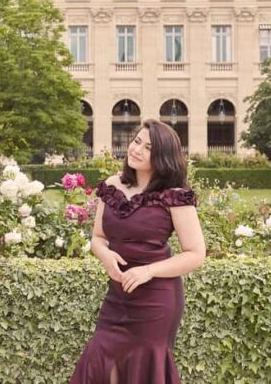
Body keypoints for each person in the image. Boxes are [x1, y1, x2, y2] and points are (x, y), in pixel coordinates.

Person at [69, 118, 206, 384]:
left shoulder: (174, 195)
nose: (137, 149)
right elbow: (98, 237)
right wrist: (105, 255)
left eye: (148, 147)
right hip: (117, 297)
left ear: (163, 157)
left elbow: (196, 253)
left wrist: (148, 271)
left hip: (155, 301)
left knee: (144, 371)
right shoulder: (111, 186)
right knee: (101, 362)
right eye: (136, 141)